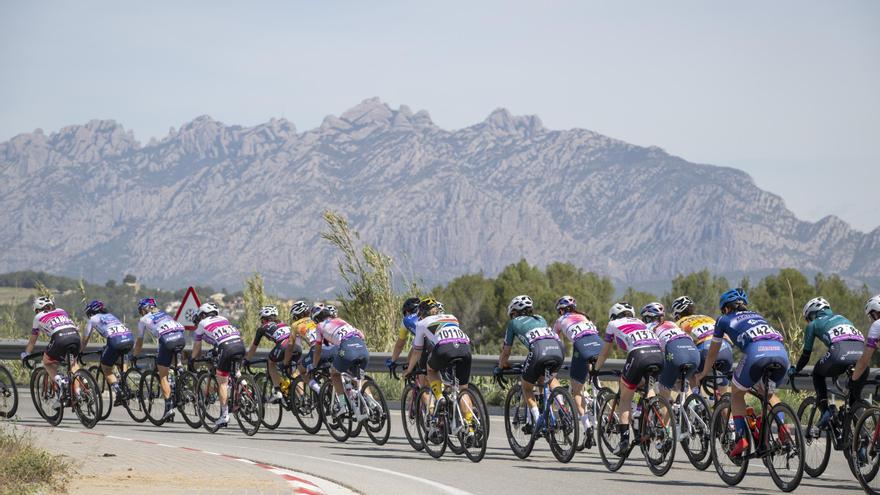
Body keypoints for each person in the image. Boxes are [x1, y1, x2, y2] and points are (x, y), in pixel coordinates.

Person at [695, 288, 790, 457]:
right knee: (767, 392)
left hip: (756, 353)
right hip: (781, 353)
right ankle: (782, 427)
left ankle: (741, 438)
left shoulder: (723, 319)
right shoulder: (758, 316)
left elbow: (712, 353)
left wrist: (703, 373)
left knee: (736, 394)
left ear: (725, 308)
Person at [594, 302, 664, 454]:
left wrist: (595, 370)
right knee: (647, 387)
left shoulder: (613, 324)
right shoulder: (639, 321)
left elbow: (605, 352)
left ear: (613, 315)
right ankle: (655, 418)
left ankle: (624, 439)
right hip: (658, 354)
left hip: (639, 356)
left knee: (625, 397)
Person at [789, 297, 866, 427]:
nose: (808, 321)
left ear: (812, 314)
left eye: (807, 318)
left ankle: (825, 411)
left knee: (817, 373)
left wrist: (795, 369)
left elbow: (806, 355)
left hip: (839, 353)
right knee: (854, 401)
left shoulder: (813, 324)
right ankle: (860, 437)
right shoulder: (843, 318)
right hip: (861, 355)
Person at [402, 298, 475, 435]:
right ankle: (470, 427)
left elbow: (417, 350)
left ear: (422, 313)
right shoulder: (452, 317)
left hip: (444, 348)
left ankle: (439, 397)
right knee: (462, 390)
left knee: (431, 370)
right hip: (465, 348)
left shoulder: (422, 323)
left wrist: (409, 369)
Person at [497, 295, 565, 431]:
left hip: (539, 351)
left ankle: (538, 420)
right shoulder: (540, 318)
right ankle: (564, 411)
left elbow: (506, 352)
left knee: (526, 387)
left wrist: (500, 367)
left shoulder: (513, 323)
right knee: (549, 379)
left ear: (514, 312)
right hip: (558, 349)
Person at [190, 302, 246, 428]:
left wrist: (192, 359)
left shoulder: (202, 324)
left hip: (226, 347)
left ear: (203, 315)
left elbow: (197, 345)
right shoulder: (224, 319)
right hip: (240, 344)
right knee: (235, 371)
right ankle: (244, 388)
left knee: (222, 382)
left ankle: (224, 416)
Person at [551, 295, 602, 433]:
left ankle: (587, 427)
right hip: (599, 345)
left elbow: (557, 344)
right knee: (590, 370)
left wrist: (556, 362)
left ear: (561, 310)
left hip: (582, 346)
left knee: (576, 391)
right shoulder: (584, 317)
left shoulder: (560, 320)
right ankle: (598, 397)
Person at [309, 303, 369, 418]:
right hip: (362, 348)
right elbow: (362, 335)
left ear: (316, 319)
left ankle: (342, 405)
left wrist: (315, 365)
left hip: (347, 349)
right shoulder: (340, 320)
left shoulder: (320, 326)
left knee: (334, 374)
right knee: (356, 377)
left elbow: (318, 349)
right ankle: (368, 402)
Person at [22, 296, 82, 410]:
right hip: (75, 336)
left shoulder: (38, 317)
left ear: (37, 309)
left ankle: (62, 381)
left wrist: (26, 354)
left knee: (47, 362)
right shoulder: (61, 311)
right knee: (73, 363)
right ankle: (79, 390)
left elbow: (32, 340)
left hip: (60, 338)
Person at [133, 297, 187, 420]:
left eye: (140, 310)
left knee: (163, 375)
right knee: (173, 360)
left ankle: (169, 408)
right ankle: (180, 372)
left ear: (144, 309)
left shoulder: (143, 320)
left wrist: (134, 355)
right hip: (180, 336)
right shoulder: (164, 314)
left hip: (167, 340)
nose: (140, 313)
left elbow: (139, 342)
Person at [673, 296, 734, 397]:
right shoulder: (707, 317)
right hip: (725, 349)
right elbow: (730, 341)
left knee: (691, 372)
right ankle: (723, 404)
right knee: (722, 394)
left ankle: (698, 401)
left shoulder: (679, 323)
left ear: (677, 314)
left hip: (704, 350)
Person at [641, 302, 700, 403]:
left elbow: (650, 353)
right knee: (682, 381)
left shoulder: (648, 328)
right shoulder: (672, 324)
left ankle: (668, 415)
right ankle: (693, 407)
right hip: (694, 352)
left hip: (676, 351)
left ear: (647, 318)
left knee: (663, 390)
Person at [80, 300, 134, 406]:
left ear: (91, 312)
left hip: (115, 341)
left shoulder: (92, 319)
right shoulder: (110, 316)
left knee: (106, 368)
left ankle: (119, 391)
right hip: (129, 338)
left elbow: (85, 339)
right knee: (120, 359)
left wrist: (80, 351)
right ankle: (125, 383)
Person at [244, 305, 291, 403]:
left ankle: (277, 390)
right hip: (295, 346)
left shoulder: (262, 328)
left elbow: (253, 347)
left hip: (283, 345)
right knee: (291, 373)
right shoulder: (283, 324)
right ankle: (298, 396)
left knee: (271, 362)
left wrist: (247, 360)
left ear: (264, 319)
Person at [852, 295, 880, 414]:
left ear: (875, 313)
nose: (871, 320)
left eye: (870, 316)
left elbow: (864, 361)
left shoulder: (877, 325)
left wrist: (853, 380)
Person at [388, 297, 423, 378]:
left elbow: (400, 345)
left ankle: (422, 387)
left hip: (427, 346)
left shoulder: (406, 320)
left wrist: (393, 361)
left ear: (407, 312)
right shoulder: (428, 314)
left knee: (421, 374)